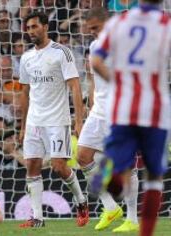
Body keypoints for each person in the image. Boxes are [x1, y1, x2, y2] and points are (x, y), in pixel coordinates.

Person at [90, 1, 171, 236]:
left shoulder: (118, 23)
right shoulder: (165, 24)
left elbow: (96, 61)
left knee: (118, 168)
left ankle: (109, 174)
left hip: (124, 107)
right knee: (154, 177)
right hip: (155, 109)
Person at [18, 11, 88, 228]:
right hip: (33, 122)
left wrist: (78, 121)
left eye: (34, 26)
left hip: (57, 121)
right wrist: (22, 126)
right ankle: (37, 217)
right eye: (28, 28)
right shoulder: (26, 57)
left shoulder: (61, 52)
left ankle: (81, 201)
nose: (31, 31)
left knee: (59, 167)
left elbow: (75, 86)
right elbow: (24, 92)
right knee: (32, 166)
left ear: (45, 26)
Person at [78, 7, 139, 233]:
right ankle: (111, 206)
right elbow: (94, 79)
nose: (93, 33)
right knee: (83, 157)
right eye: (90, 29)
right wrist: (92, 105)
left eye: (96, 28)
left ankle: (133, 218)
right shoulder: (95, 46)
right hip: (98, 112)